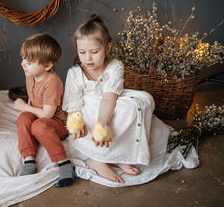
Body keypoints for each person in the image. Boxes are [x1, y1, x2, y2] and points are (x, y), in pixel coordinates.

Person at [63, 14, 170, 183]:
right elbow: (73, 104)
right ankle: (98, 161)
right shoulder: (75, 73)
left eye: (94, 52)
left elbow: (109, 99)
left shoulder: (114, 66)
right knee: (85, 113)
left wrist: (102, 126)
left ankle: (118, 156)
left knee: (142, 101)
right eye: (82, 52)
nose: (88, 58)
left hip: (107, 102)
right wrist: (75, 122)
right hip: (86, 107)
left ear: (108, 48)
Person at [13, 33, 74, 187]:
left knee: (38, 125)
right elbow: (32, 100)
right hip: (41, 116)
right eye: (23, 59)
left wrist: (24, 107)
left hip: (59, 123)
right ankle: (29, 159)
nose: (22, 64)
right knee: (23, 119)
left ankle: (64, 163)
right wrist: (26, 109)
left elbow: (47, 114)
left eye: (29, 62)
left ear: (47, 65)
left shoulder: (52, 81)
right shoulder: (31, 74)